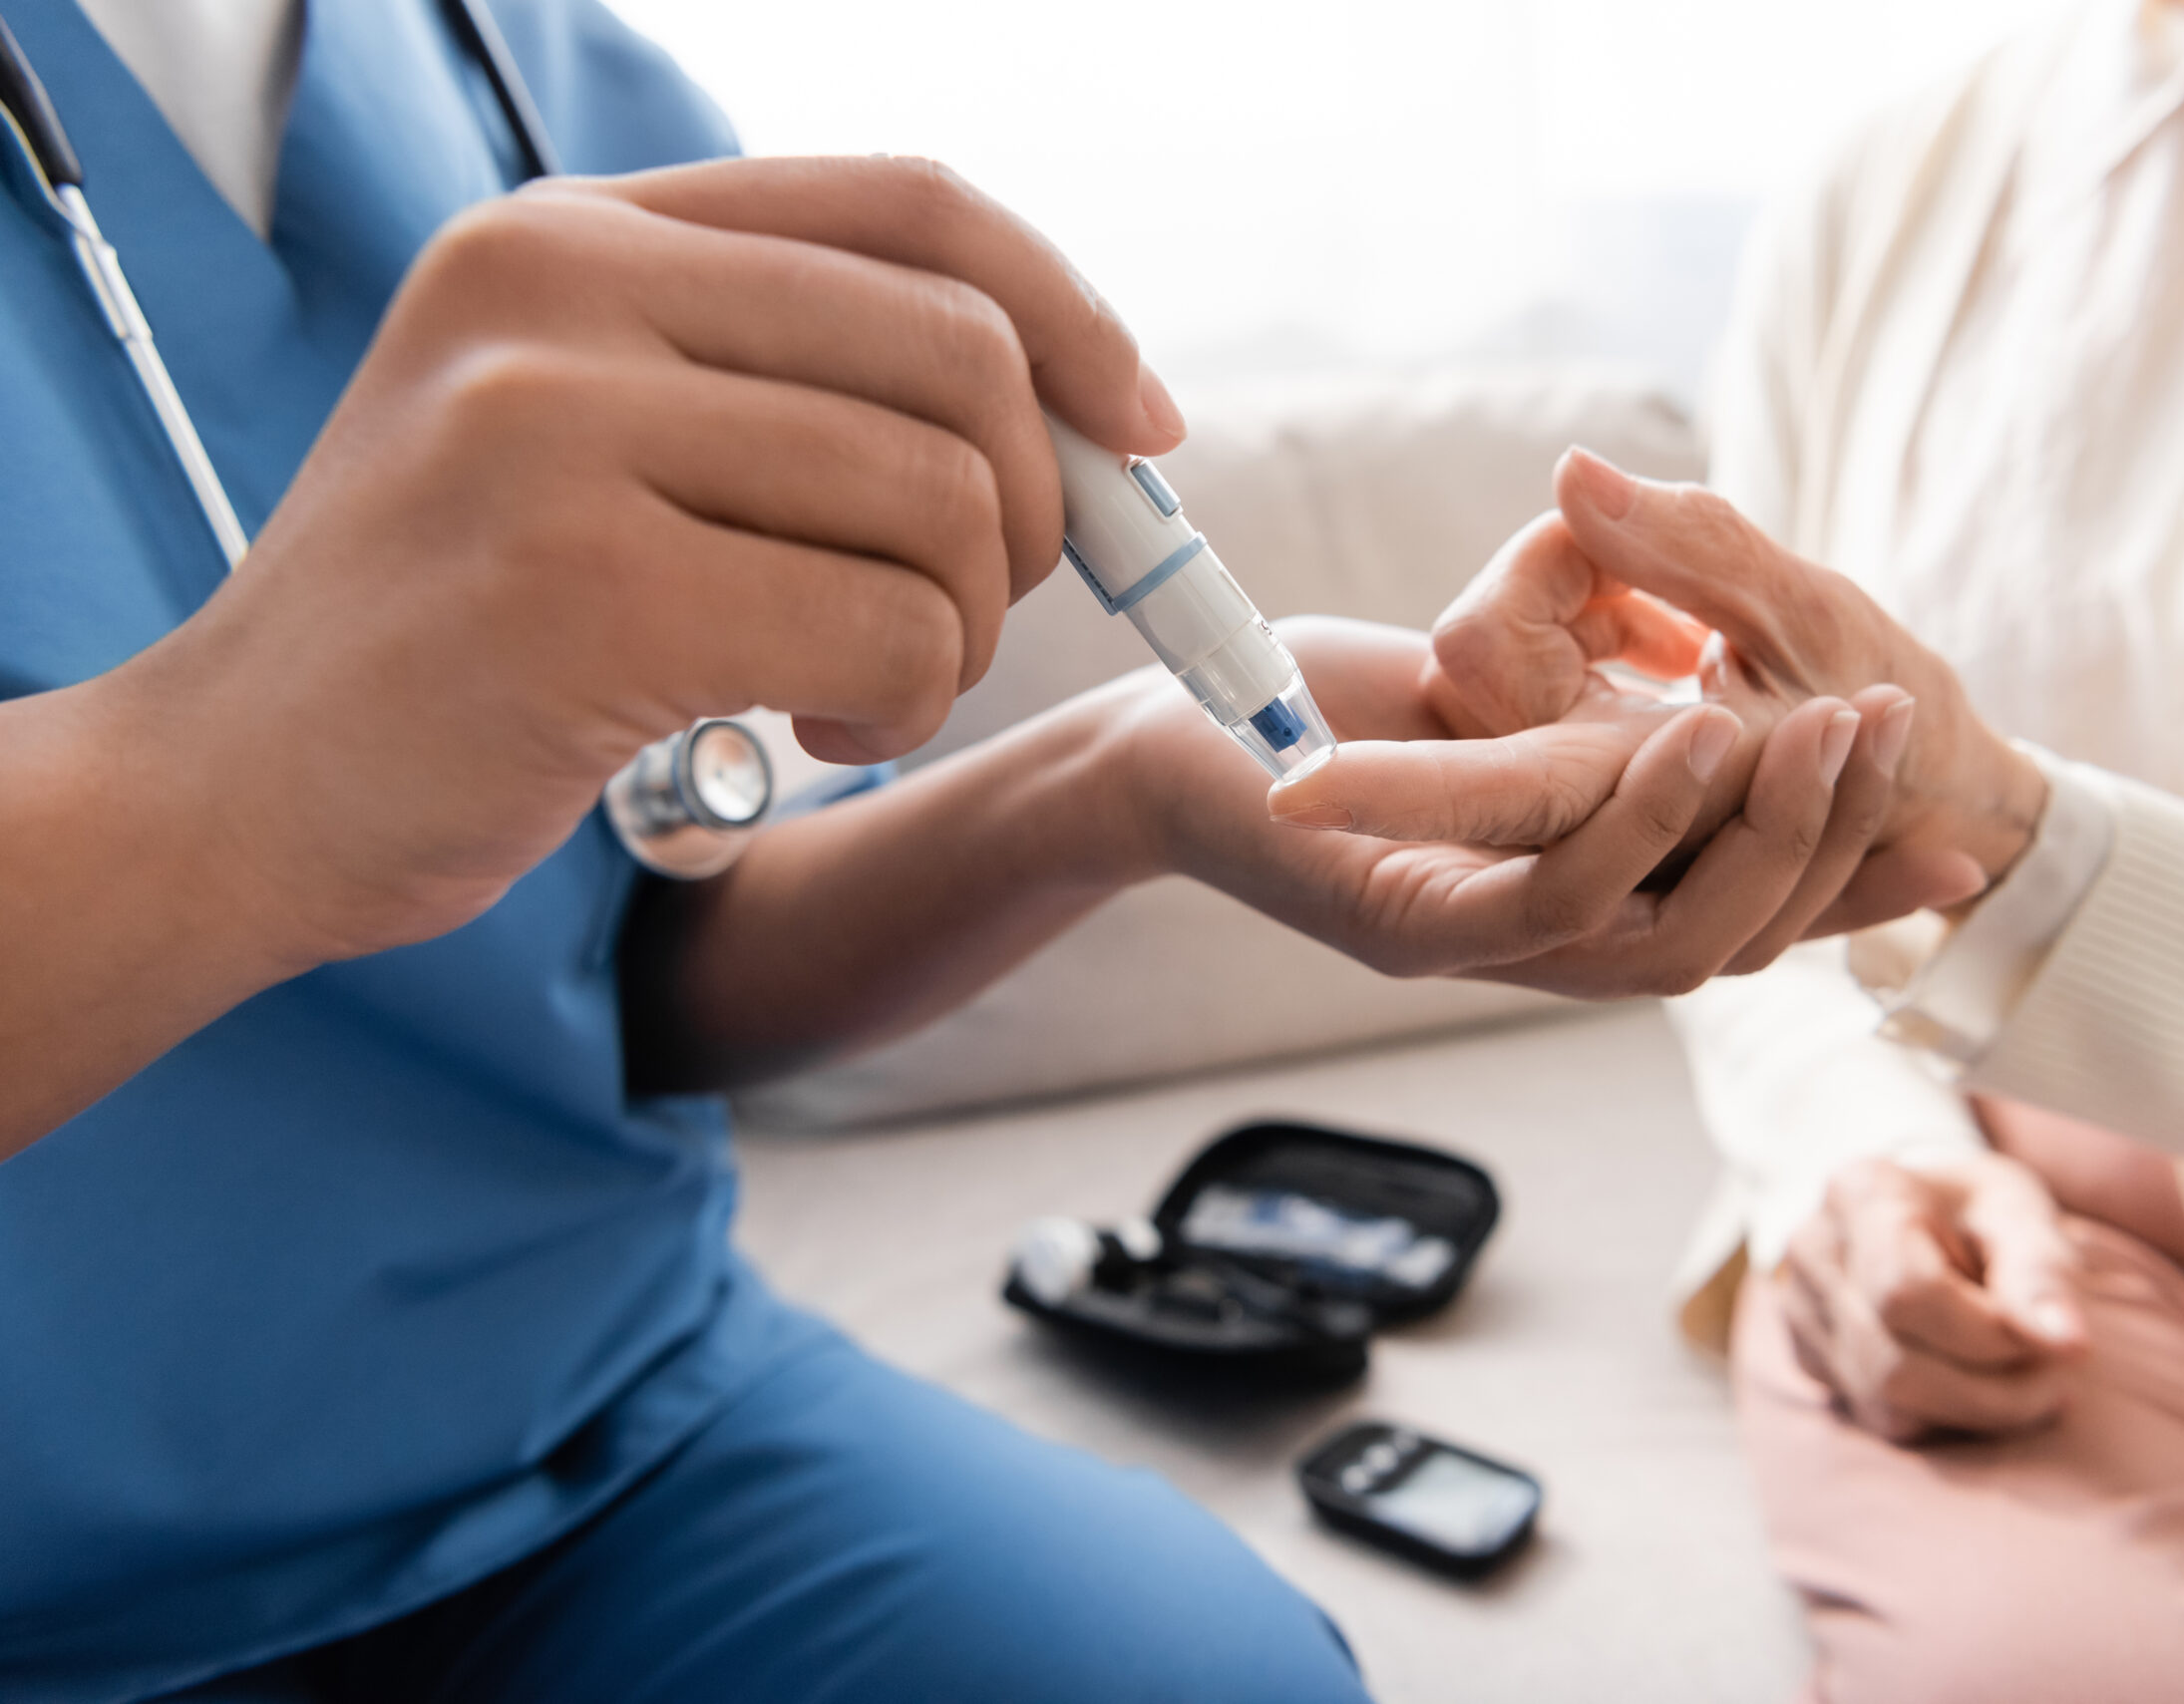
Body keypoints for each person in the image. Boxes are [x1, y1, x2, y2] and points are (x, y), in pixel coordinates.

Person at [0, 1, 1917, 1699]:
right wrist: (233, 766)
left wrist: (1143, 783)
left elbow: (653, 951)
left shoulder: (544, 76)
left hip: (593, 1420)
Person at [1279, 0, 2184, 1695]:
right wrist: (1850, 1151)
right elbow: (1756, 810)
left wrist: (2014, 833)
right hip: (2009, 1232)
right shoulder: (1889, 182)